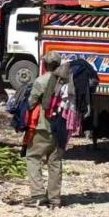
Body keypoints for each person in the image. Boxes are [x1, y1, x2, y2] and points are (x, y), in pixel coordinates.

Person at [25, 52, 69, 208]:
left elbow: (31, 102)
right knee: (55, 161)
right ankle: (55, 199)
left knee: (33, 157)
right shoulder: (66, 81)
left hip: (44, 126)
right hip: (62, 127)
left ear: (45, 65)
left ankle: (37, 194)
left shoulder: (41, 80)